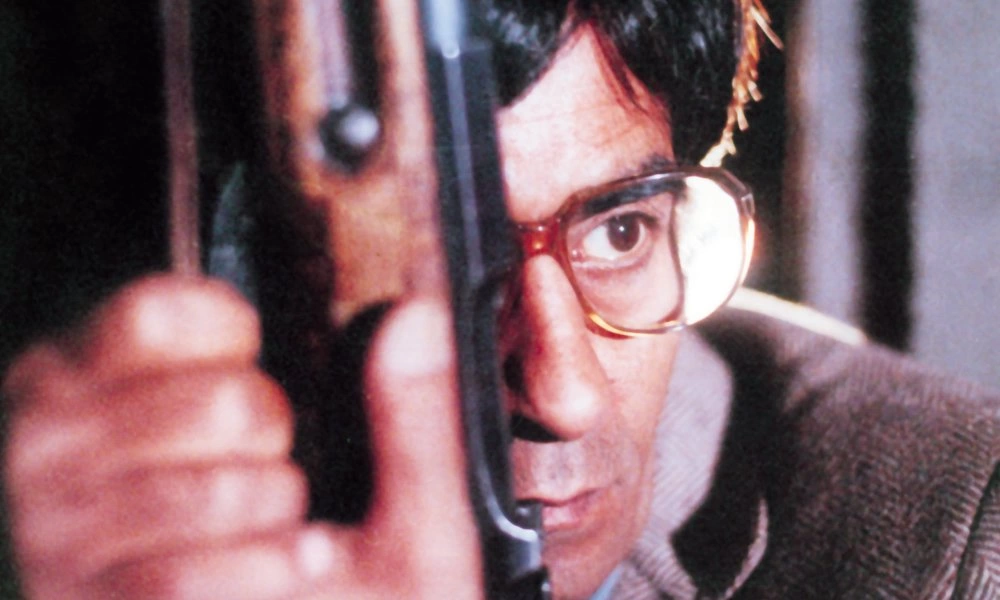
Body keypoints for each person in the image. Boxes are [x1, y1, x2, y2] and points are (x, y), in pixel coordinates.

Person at [3, 0, 1000, 599]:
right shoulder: (88, 516)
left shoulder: (956, 545)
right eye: (447, 259)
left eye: (621, 232)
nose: (562, 392)